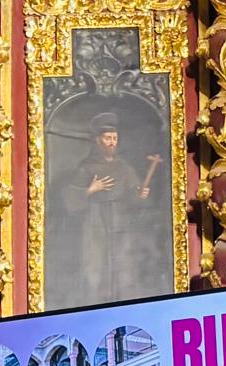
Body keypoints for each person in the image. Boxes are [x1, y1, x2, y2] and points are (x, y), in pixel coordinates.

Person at [60, 112, 161, 305]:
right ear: (98, 141)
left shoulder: (125, 168)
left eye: (115, 138)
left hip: (121, 224)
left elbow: (134, 196)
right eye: (108, 138)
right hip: (94, 223)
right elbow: (68, 197)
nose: (112, 142)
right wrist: (90, 190)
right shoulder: (86, 167)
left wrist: (140, 195)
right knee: (94, 267)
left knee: (122, 267)